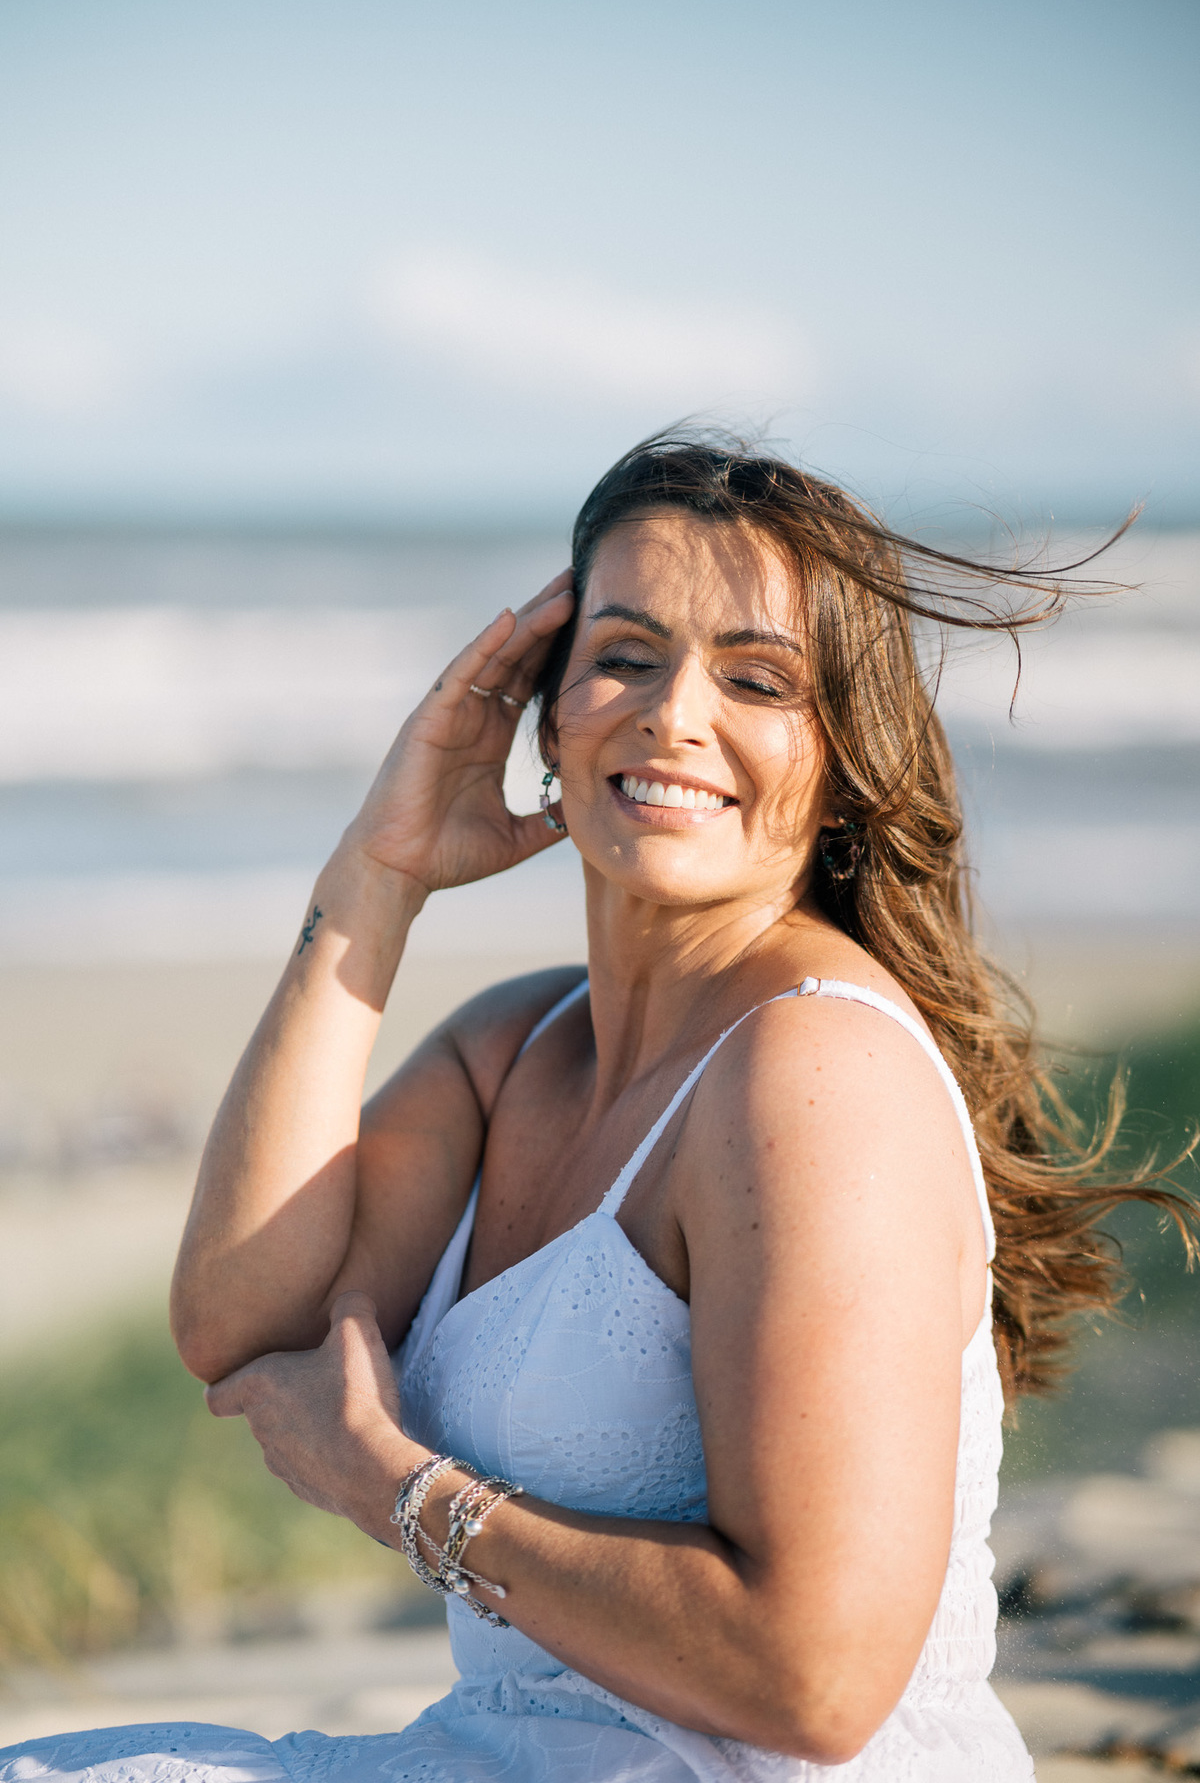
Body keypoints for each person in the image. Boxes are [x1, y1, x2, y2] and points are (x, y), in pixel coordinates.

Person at [5, 435, 1193, 1783]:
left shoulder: (811, 1075)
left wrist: (394, 1489)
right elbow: (238, 1324)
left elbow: (812, 1682)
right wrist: (378, 875)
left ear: (844, 757)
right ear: (544, 713)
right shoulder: (515, 1049)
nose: (673, 713)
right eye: (624, 655)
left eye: (756, 679)